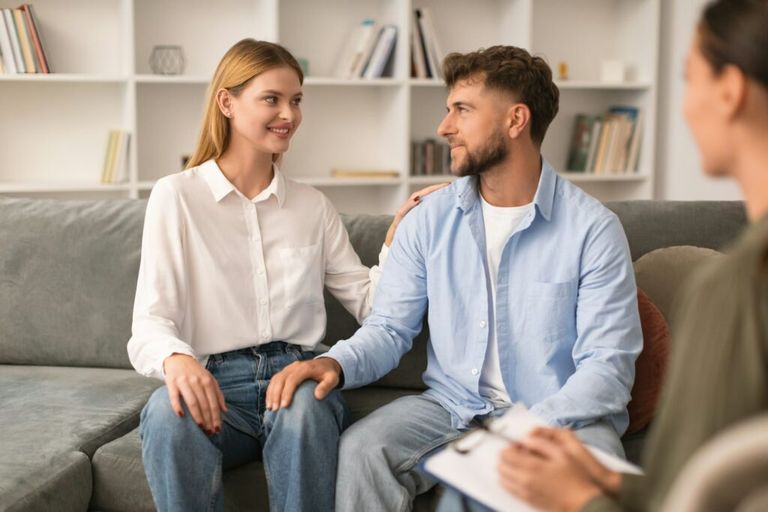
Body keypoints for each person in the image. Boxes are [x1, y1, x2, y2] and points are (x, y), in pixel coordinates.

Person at [265, 45, 643, 511]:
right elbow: (389, 328)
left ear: (516, 120)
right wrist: (335, 364)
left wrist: (520, 432)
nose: (445, 127)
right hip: (451, 406)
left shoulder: (593, 230)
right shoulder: (429, 220)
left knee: (599, 491)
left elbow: (607, 369)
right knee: (363, 451)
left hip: (562, 417)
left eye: (462, 110)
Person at [472, 1, 768, 511]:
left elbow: (695, 501)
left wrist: (580, 497)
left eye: (688, 79)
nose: (684, 105)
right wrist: (611, 483)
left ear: (730, 90)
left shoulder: (739, 287)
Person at [127, 39, 440, 512]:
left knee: (303, 409)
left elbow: (372, 306)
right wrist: (176, 360)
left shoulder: (312, 206)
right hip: (217, 388)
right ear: (227, 102)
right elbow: (151, 319)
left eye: (295, 100)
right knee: (166, 415)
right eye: (271, 99)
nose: (288, 114)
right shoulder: (176, 197)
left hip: (297, 379)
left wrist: (396, 240)